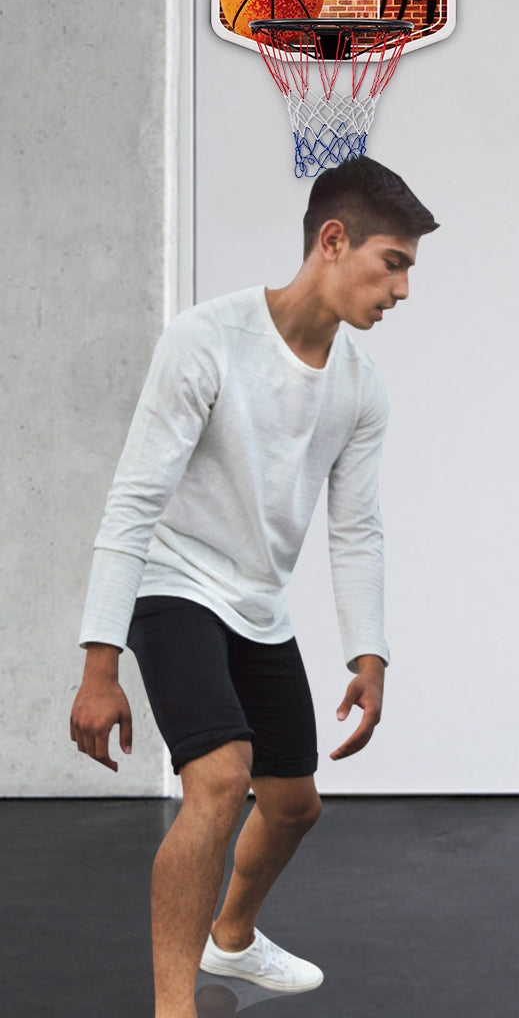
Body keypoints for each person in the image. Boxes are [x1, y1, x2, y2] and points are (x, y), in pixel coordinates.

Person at [69, 155, 438, 1018]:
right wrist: (98, 663)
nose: (404, 289)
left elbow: (357, 526)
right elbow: (134, 499)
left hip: (258, 606)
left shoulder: (359, 387)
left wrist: (369, 650)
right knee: (219, 779)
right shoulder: (207, 339)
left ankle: (229, 939)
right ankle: (174, 1007)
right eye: (395, 263)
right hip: (175, 581)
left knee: (295, 805)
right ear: (333, 241)